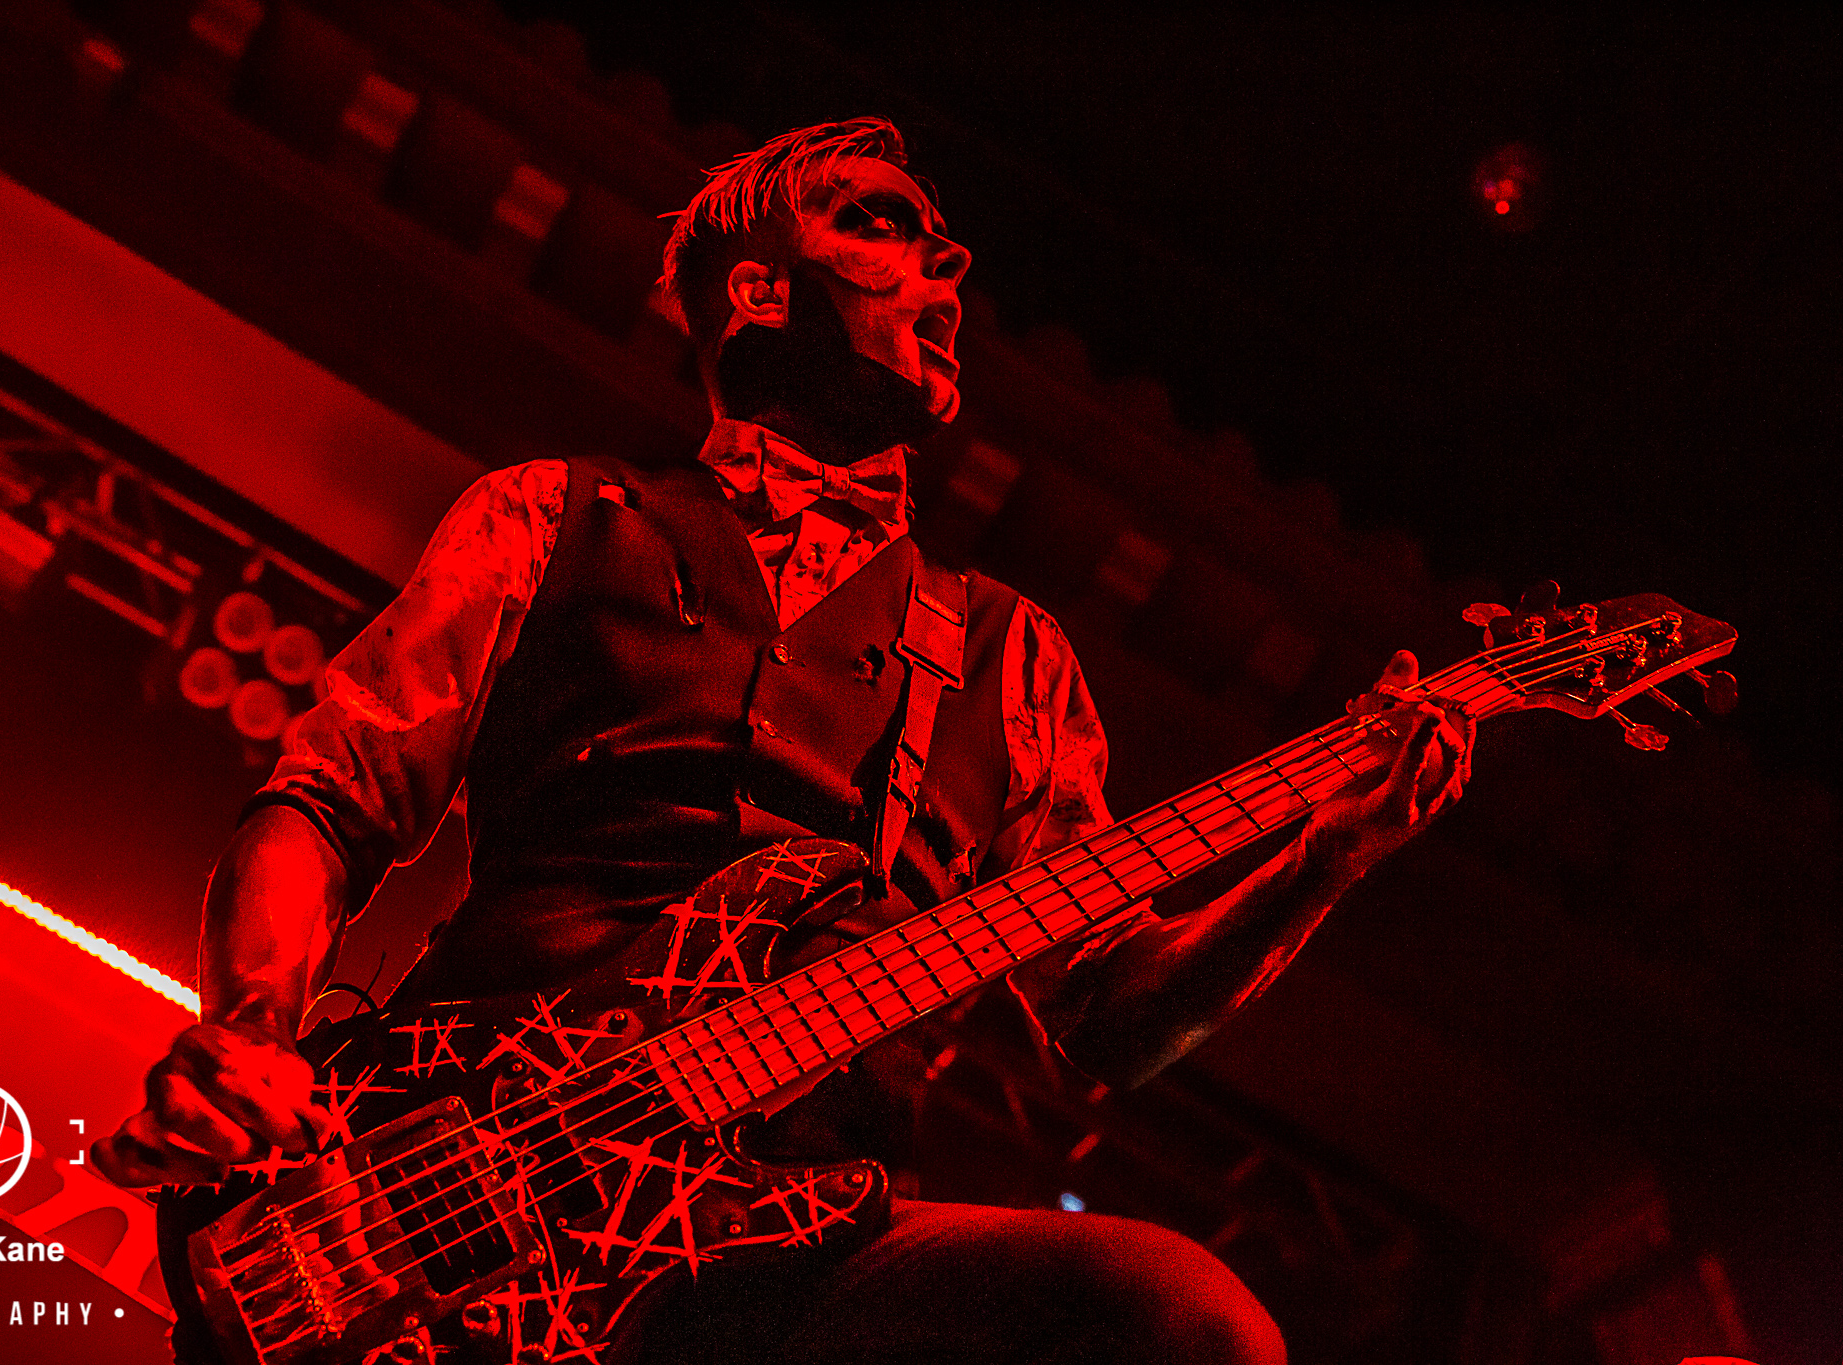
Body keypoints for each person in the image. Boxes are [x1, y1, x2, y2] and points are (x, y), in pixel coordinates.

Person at [95, 118, 1471, 1364]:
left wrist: (1321, 862)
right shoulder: (552, 515)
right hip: (443, 1180)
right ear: (759, 290)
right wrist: (255, 1030)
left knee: (1182, 1322)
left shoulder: (1011, 657)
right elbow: (328, 797)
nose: (948, 266)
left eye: (940, 244)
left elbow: (1113, 1017)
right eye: (881, 224)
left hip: (791, 1251)